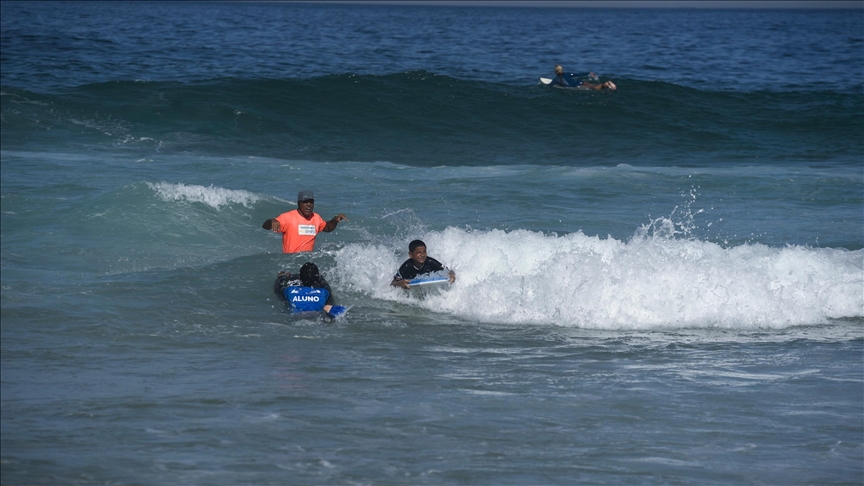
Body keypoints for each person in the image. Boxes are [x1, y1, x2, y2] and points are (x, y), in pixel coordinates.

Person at [262, 190, 348, 253]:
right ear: (299, 203)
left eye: (311, 202)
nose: (309, 205)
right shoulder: (288, 218)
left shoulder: (316, 218)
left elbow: (327, 227)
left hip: (307, 261)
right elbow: (266, 226)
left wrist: (335, 219)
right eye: (305, 202)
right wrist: (272, 221)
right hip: (290, 261)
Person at [273, 262, 346, 317]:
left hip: (297, 317)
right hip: (317, 317)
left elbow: (281, 287)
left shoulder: (290, 291)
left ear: (300, 278)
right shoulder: (323, 292)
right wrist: (321, 278)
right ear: (317, 278)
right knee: (327, 307)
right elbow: (326, 286)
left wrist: (282, 277)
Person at [391, 239, 456, 289]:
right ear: (410, 254)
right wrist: (400, 283)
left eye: (424, 252)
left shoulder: (430, 262)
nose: (422, 255)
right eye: (419, 252)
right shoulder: (406, 266)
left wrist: (451, 275)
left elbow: (449, 270)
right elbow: (393, 283)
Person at [550, 64, 616, 90]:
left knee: (593, 88)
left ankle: (605, 85)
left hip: (575, 86)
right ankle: (606, 85)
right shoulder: (568, 74)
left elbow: (549, 86)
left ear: (555, 71)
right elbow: (579, 74)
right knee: (593, 86)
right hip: (581, 82)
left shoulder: (556, 79)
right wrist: (588, 73)